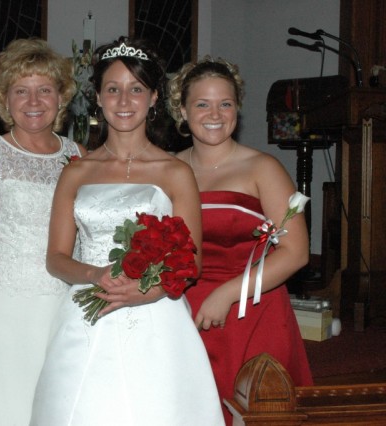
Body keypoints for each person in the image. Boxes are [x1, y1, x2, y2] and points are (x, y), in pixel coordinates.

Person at [30, 37, 224, 425]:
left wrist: (146, 291)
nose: (124, 101)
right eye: (113, 89)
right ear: (98, 98)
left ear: (153, 98)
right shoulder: (76, 172)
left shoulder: (176, 172)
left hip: (156, 316)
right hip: (88, 310)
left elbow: (192, 262)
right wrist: (94, 274)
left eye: (136, 89)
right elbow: (55, 258)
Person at [167, 56, 314, 424]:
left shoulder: (263, 168)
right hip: (184, 313)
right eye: (202, 104)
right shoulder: (167, 169)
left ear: (237, 109)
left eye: (226, 104)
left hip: (253, 309)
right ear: (182, 110)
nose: (215, 114)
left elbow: (296, 252)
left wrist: (228, 293)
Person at [0, 38, 84, 426]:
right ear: (5, 100)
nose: (33, 101)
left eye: (45, 90)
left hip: (61, 311)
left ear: (61, 97)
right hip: (1, 316)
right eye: (21, 91)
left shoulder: (79, 156)